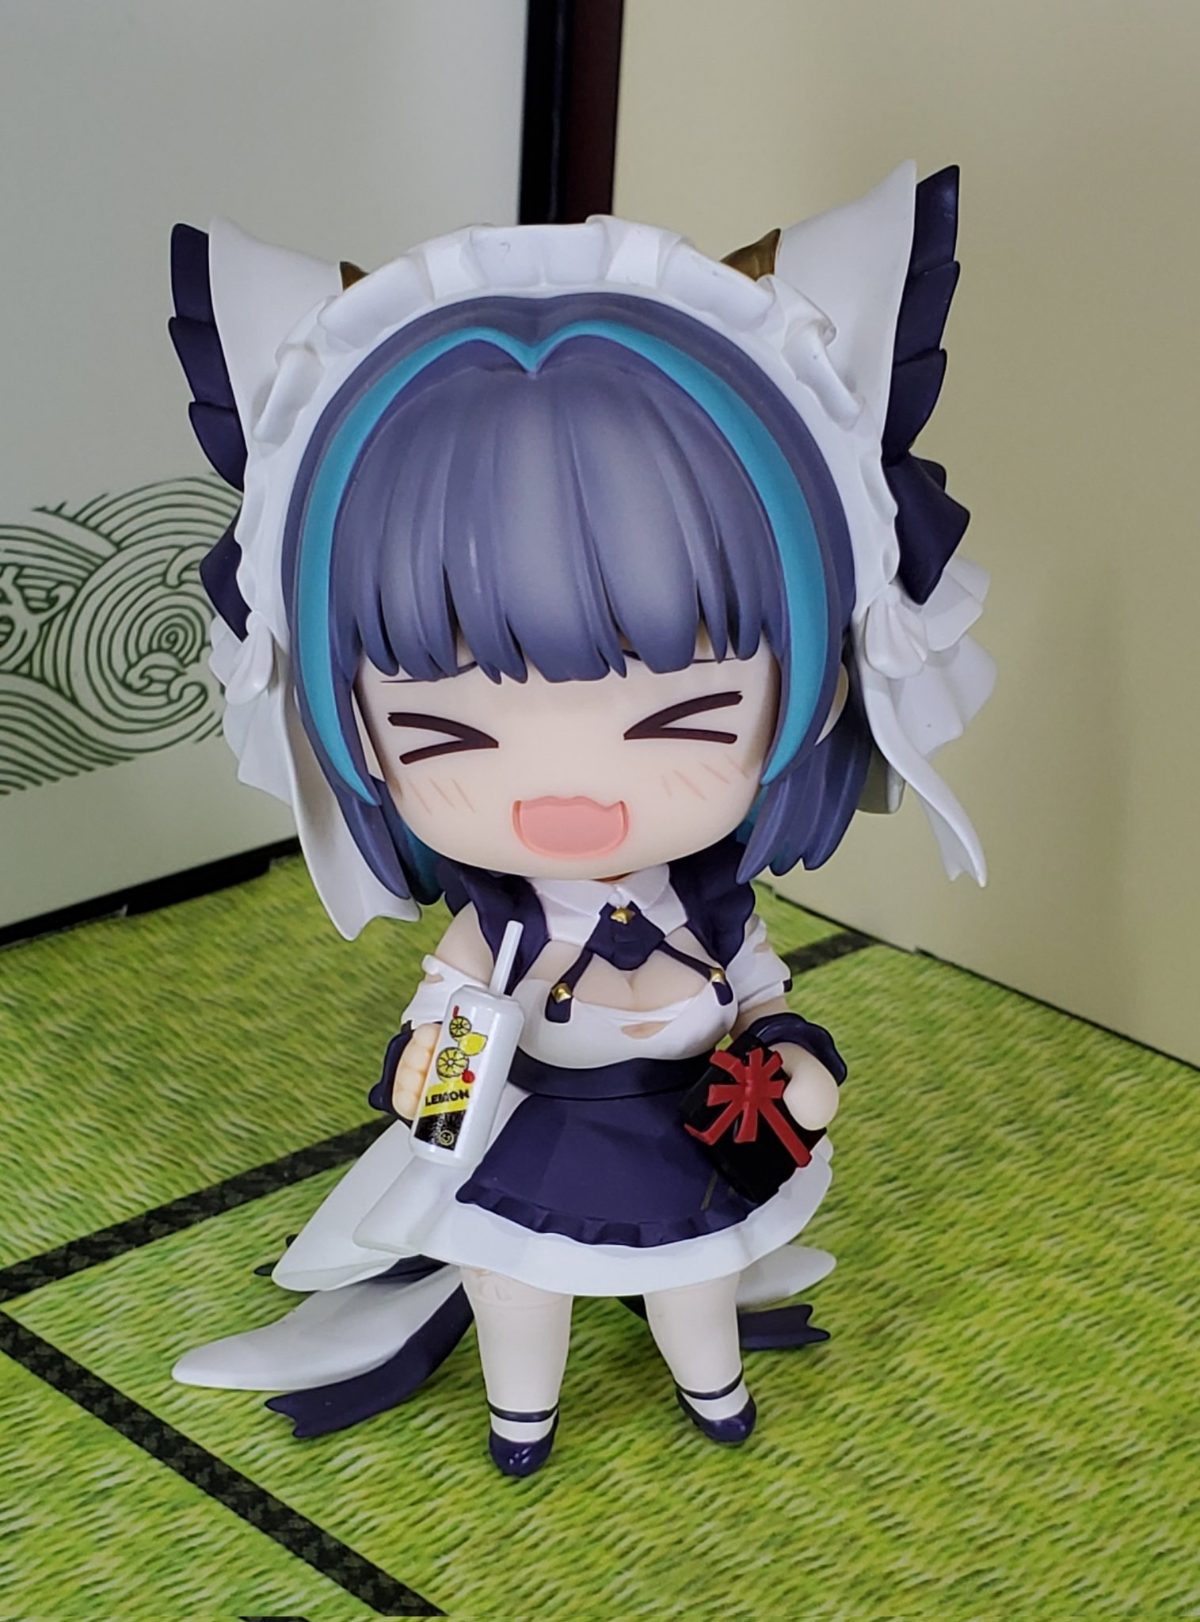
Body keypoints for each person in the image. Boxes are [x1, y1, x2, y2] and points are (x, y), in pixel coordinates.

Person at [168, 164, 992, 1475]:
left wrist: (795, 1056)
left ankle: (712, 1387)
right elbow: (445, 1029)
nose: (569, 790)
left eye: (682, 719)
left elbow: (763, 998)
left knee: (695, 1278)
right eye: (447, 736)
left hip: (685, 1128)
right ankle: (523, 1412)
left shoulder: (711, 905)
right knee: (517, 1284)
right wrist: (432, 1101)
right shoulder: (495, 924)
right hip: (544, 1127)